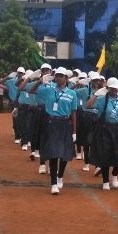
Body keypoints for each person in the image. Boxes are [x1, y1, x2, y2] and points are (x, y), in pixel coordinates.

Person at [29, 67, 78, 195]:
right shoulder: (48, 90)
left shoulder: (72, 94)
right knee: (53, 153)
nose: (58, 78)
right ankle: (54, 183)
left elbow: (73, 113)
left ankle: (60, 175)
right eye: (57, 75)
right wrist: (40, 81)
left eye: (61, 76)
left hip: (65, 124)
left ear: (66, 78)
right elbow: (31, 91)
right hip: (52, 123)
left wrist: (74, 131)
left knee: (64, 154)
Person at [86, 77, 118, 190]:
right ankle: (105, 181)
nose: (114, 90)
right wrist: (96, 94)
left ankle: (114, 175)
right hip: (105, 129)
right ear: (107, 88)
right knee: (105, 156)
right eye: (111, 88)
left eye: (115, 88)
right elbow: (88, 105)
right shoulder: (102, 99)